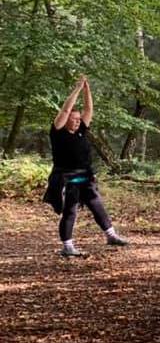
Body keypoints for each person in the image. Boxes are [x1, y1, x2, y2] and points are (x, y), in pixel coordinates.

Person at [42, 75, 128, 257]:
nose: (77, 121)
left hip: (85, 176)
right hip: (67, 177)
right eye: (74, 119)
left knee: (96, 204)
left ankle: (111, 236)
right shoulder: (58, 132)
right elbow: (65, 110)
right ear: (65, 121)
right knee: (70, 211)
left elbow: (89, 109)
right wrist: (77, 89)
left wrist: (87, 89)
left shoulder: (81, 131)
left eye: (78, 119)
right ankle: (67, 247)